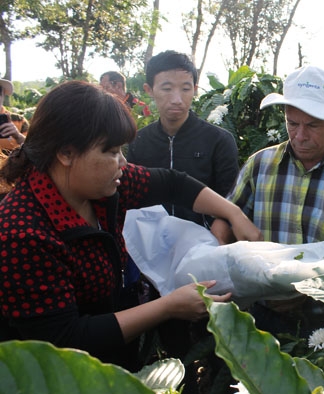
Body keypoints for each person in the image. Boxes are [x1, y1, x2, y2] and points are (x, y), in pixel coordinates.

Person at [0, 80, 263, 372]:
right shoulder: (22, 233)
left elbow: (173, 184)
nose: (123, 162)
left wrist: (234, 214)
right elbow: (66, 339)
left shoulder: (103, 186)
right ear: (66, 154)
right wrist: (168, 307)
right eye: (111, 151)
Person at [211, 65, 324, 338]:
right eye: (293, 124)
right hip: (257, 317)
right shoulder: (260, 166)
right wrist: (223, 257)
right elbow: (227, 217)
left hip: (323, 327)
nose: (300, 136)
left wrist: (311, 290)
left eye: (313, 125)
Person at [127, 50, 239, 228]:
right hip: (149, 244)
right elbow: (130, 197)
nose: (177, 99)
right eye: (167, 88)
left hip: (204, 243)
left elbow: (230, 198)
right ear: (149, 90)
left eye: (185, 89)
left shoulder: (219, 140)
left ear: (194, 90)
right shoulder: (138, 141)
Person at [0, 78, 29, 152]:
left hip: (12, 162)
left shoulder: (19, 120)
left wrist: (18, 136)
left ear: (3, 96)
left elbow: (34, 150)